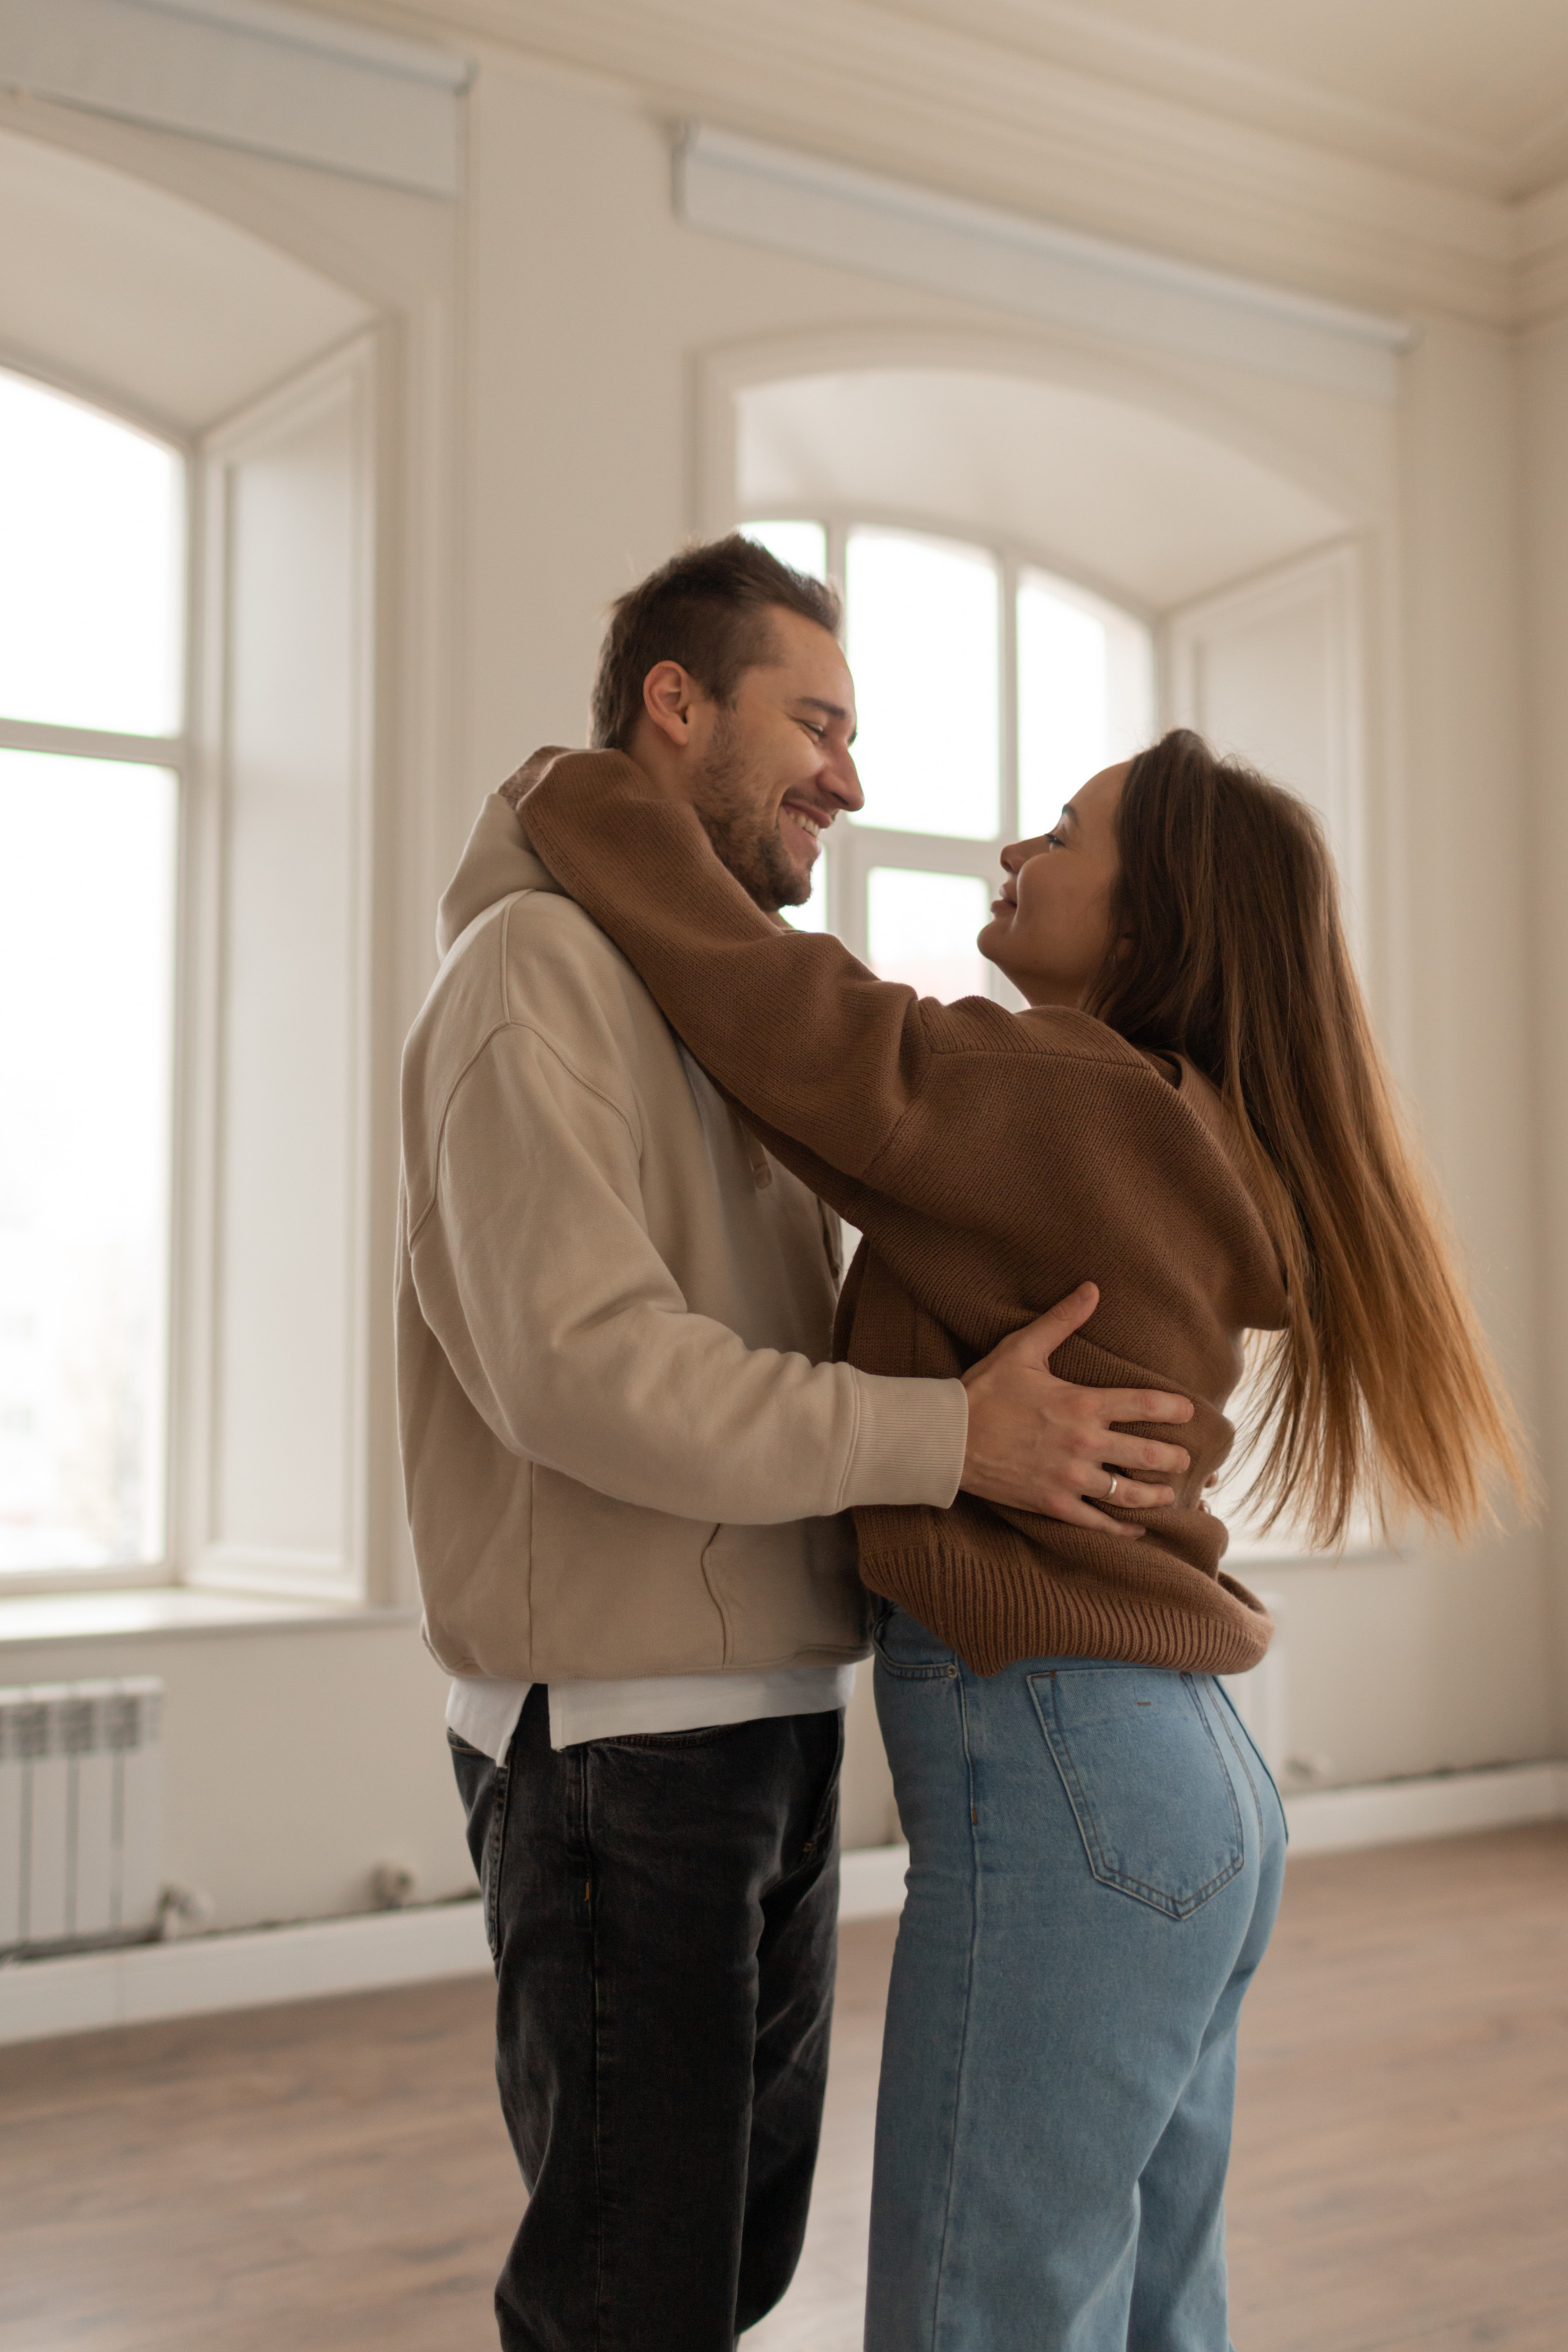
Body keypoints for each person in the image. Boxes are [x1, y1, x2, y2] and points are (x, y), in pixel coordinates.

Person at [513, 692, 1527, 2348]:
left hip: (1076, 1778)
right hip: (1170, 1785)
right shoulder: (1170, 1121)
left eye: (1064, 835)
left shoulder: (1082, 1097)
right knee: (1144, 2312)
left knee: (978, 2323)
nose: (1015, 847)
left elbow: (794, 1023)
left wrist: (588, 794)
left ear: (1154, 921)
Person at [395, 537, 1200, 2352]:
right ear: (676, 712)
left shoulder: (729, 997)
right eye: (813, 723)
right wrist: (953, 1438)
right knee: (634, 2295)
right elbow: (585, 1374)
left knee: (732, 2268)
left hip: (761, 1716)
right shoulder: (533, 974)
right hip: (617, 1751)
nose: (851, 776)